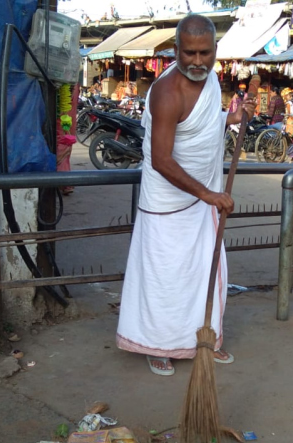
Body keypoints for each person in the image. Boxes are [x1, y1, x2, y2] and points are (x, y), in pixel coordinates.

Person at [117, 15, 248, 375]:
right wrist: (207, 193)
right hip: (168, 204)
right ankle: (157, 344)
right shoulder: (166, 92)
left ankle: (202, 339)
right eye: (188, 53)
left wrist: (230, 119)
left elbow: (201, 125)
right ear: (175, 50)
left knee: (201, 271)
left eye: (205, 53)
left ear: (215, 51)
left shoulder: (210, 82)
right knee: (166, 277)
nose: (197, 62)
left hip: (201, 199)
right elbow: (161, 159)